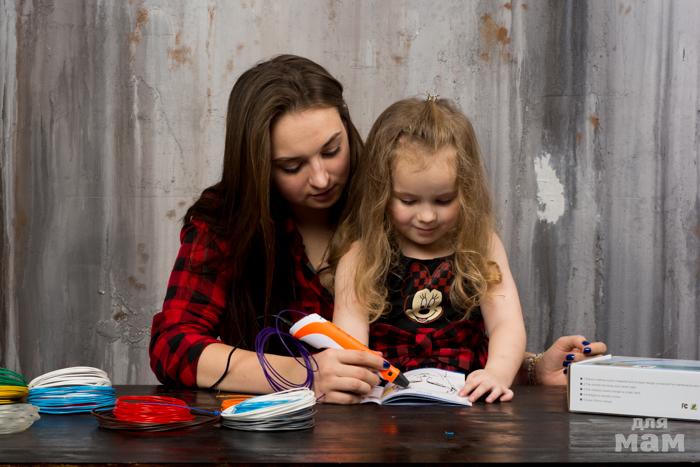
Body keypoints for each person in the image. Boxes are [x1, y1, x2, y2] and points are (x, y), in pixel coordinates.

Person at [149, 55, 606, 403]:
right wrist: (304, 374)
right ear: (256, 167)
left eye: (332, 150)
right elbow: (173, 346)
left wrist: (529, 369)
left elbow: (436, 339)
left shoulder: (396, 193)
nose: (322, 178)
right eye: (291, 166)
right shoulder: (226, 220)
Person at [331, 96, 525, 403]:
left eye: (444, 200)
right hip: (385, 403)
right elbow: (350, 343)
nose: (427, 216)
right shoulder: (360, 256)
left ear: (465, 190)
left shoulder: (481, 244)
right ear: (382, 192)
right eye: (408, 201)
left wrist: (497, 374)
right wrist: (354, 382)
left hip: (470, 398)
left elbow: (506, 322)